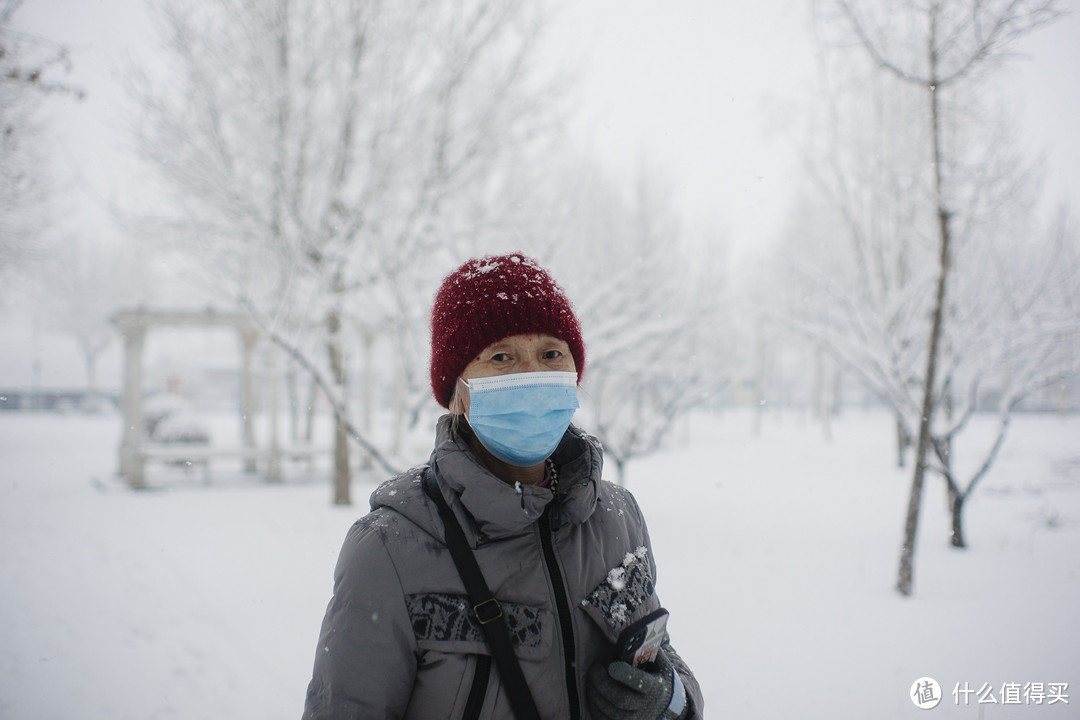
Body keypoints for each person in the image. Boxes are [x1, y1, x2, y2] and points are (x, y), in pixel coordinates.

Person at [302, 252, 703, 719]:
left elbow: (661, 654)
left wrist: (670, 698)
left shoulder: (615, 518)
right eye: (501, 356)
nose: (531, 374)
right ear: (457, 395)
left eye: (551, 353)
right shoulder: (391, 548)